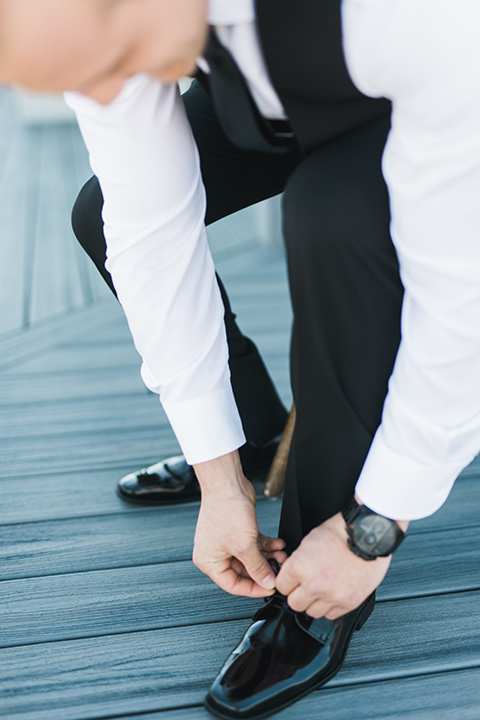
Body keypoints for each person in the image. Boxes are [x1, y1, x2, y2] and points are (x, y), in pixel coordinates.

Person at [1, 0, 479, 717]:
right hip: (277, 84)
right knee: (103, 210)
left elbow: (460, 300)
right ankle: (258, 446)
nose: (101, 96)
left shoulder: (411, 18)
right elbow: (150, 230)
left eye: (100, 69)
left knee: (331, 217)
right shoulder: (101, 34)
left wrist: (377, 525)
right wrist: (216, 473)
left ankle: (324, 569)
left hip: (424, 101)